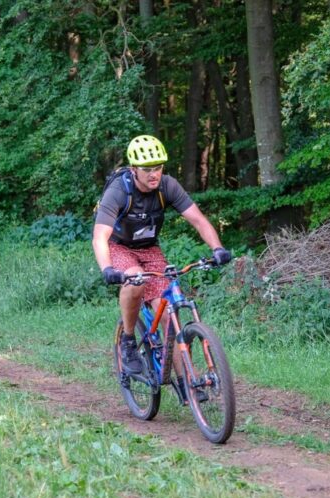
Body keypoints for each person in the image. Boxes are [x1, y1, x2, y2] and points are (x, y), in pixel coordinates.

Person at [92, 134, 232, 377]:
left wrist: (217, 249)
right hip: (120, 247)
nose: (153, 174)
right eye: (146, 169)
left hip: (150, 248)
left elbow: (198, 220)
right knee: (135, 279)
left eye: (157, 167)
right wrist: (107, 269)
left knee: (168, 316)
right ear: (134, 169)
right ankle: (127, 341)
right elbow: (100, 237)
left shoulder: (167, 186)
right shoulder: (119, 191)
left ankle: (187, 384)